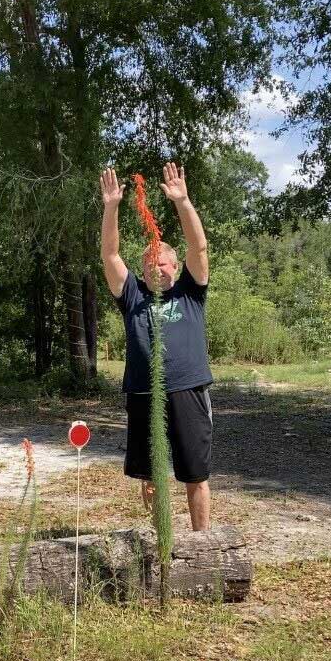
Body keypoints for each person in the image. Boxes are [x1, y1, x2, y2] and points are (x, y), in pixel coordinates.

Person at [99, 162, 213, 531]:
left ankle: (203, 543)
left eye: (163, 262)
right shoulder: (132, 296)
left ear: (175, 266)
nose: (156, 268)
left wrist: (183, 202)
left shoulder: (190, 291)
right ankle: (160, 538)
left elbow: (199, 245)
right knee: (152, 476)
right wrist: (111, 206)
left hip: (187, 391)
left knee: (194, 474)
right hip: (144, 393)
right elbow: (111, 256)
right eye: (149, 263)